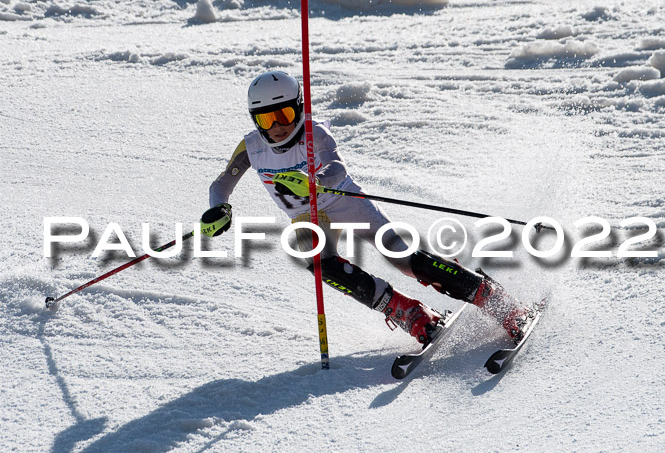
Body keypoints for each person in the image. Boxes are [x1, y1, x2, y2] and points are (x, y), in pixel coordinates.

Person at [201, 70, 534, 347]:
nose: (277, 126)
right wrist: (220, 209)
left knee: (406, 260)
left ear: (298, 107)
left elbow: (335, 169)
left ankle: (499, 303)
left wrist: (313, 181)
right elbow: (221, 185)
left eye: (284, 114)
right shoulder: (252, 147)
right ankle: (409, 312)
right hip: (307, 219)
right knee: (316, 261)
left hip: (344, 201)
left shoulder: (314, 133)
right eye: (266, 118)